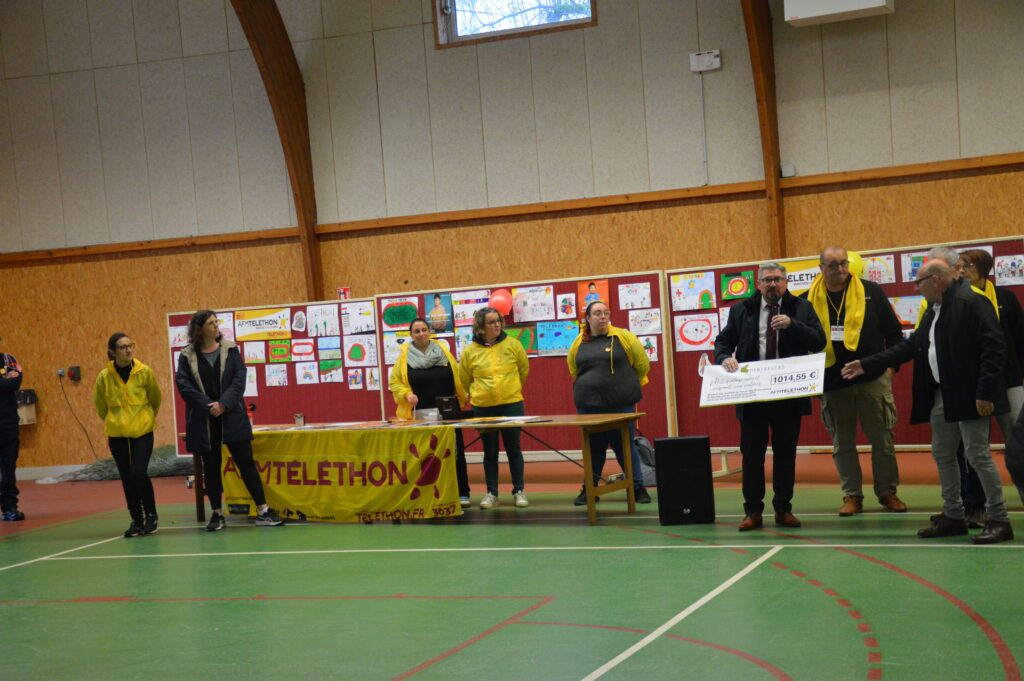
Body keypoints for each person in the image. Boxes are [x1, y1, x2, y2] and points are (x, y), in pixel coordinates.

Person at [842, 260, 1013, 544]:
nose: (916, 288)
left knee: (977, 455)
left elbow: (994, 349)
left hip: (970, 394)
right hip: (942, 393)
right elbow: (911, 346)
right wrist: (867, 364)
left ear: (935, 279)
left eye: (918, 282)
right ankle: (953, 516)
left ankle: (999, 519)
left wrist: (985, 392)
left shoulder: (971, 302)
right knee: (943, 453)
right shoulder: (935, 309)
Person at [714, 262, 825, 531]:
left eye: (777, 279)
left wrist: (792, 325)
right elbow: (723, 341)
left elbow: (818, 341)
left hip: (788, 395)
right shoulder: (742, 309)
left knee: (786, 454)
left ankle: (783, 509)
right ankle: (752, 511)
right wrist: (725, 357)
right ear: (759, 284)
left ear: (786, 282)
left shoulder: (802, 308)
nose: (773, 284)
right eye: (767, 280)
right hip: (753, 395)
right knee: (752, 455)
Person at [802, 246, 907, 516]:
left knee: (883, 441)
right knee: (842, 444)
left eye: (843, 264)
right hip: (833, 384)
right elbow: (800, 344)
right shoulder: (805, 301)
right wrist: (812, 381)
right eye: (833, 265)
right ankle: (852, 496)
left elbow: (894, 333)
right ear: (821, 268)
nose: (840, 269)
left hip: (873, 379)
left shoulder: (871, 291)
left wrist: (890, 370)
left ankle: (887, 492)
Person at [175, 310, 283, 530]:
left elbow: (239, 380)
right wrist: (209, 406)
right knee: (211, 466)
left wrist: (223, 404)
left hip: (232, 415)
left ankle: (263, 510)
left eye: (217, 322)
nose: (216, 326)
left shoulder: (231, 350)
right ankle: (217, 514)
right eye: (211, 323)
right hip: (204, 419)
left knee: (246, 462)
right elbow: (184, 385)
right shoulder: (186, 356)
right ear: (199, 329)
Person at [566, 301, 652, 505]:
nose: (603, 316)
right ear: (588, 318)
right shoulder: (578, 343)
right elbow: (573, 369)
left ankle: (637, 488)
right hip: (589, 406)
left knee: (624, 446)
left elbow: (642, 365)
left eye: (606, 312)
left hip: (621, 404)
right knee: (594, 448)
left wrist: (623, 385)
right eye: (597, 313)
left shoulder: (624, 337)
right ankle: (589, 489)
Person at [960, 248, 1024, 505]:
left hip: (1010, 379)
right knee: (975, 446)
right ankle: (983, 504)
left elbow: (1020, 337)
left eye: (968, 266)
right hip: (974, 383)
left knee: (1018, 440)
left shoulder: (1005, 297)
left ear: (983, 269)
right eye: (960, 266)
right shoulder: (959, 300)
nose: (963, 271)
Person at [390, 317, 471, 506]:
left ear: (430, 332)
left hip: (448, 411)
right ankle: (426, 495)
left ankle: (462, 493)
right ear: (411, 335)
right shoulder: (404, 358)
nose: (421, 334)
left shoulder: (443, 352)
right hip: (420, 413)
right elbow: (395, 382)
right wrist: (407, 394)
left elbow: (458, 376)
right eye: (416, 331)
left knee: (455, 452)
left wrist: (466, 394)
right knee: (424, 454)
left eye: (424, 330)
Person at [458, 306, 530, 509]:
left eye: (498, 321)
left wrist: (510, 390)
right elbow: (464, 379)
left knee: (514, 449)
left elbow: (523, 370)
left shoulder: (513, 345)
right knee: (490, 452)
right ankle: (492, 493)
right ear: (481, 327)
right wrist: (479, 395)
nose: (497, 325)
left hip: (512, 405)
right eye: (491, 322)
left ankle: (519, 491)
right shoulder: (470, 351)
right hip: (483, 408)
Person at [93, 334, 162, 537]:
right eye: (123, 347)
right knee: (126, 476)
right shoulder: (104, 376)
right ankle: (136, 519)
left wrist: (145, 418)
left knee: (138, 472)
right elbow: (100, 405)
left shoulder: (144, 372)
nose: (128, 350)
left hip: (142, 430)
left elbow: (155, 398)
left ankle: (151, 515)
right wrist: (115, 420)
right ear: (112, 352)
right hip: (117, 433)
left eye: (130, 345)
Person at [0, 340, 24, 522]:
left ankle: (9, 508)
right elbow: (7, 383)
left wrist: (8, 382)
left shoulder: (8, 360)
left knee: (8, 467)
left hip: (8, 423)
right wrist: (4, 381)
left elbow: (14, 383)